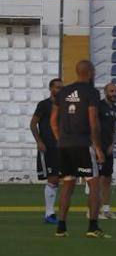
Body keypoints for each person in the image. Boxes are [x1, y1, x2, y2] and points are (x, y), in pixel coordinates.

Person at [50, 59, 109, 238]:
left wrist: (61, 139)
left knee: (67, 186)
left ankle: (61, 227)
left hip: (64, 146)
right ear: (90, 72)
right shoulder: (91, 92)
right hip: (83, 144)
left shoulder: (64, 92)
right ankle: (92, 227)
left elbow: (53, 121)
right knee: (94, 185)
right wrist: (98, 147)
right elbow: (93, 120)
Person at [30, 78, 63, 224]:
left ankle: (51, 214)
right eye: (57, 87)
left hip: (60, 148)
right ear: (51, 88)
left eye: (62, 87)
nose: (59, 90)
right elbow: (33, 124)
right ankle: (49, 214)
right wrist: (39, 141)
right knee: (52, 178)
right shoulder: (44, 105)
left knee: (57, 179)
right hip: (47, 146)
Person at [97, 82, 116, 220]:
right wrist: (96, 147)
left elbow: (113, 128)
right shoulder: (99, 106)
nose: (115, 93)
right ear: (105, 92)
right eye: (112, 91)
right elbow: (92, 127)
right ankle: (95, 211)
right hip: (98, 148)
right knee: (98, 180)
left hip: (108, 148)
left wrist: (112, 144)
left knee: (107, 179)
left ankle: (106, 210)